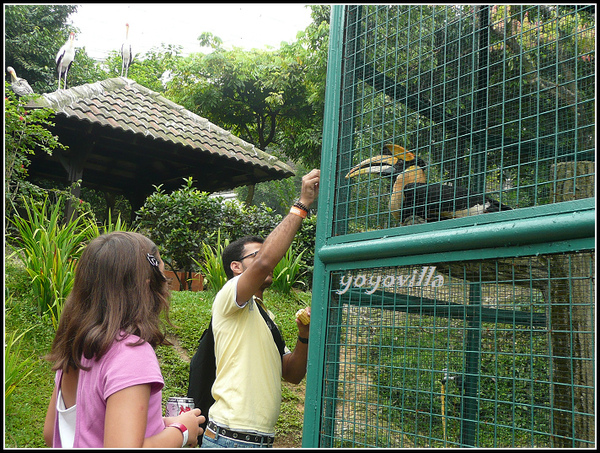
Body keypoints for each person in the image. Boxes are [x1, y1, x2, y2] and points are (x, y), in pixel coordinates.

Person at [43, 231, 205, 448]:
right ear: (147, 287)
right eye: (163, 280)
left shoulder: (77, 347)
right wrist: (183, 431)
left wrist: (163, 424)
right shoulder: (131, 353)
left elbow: (52, 432)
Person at [201, 169, 320, 448]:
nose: (268, 258)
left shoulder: (265, 315)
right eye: (256, 254)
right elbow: (266, 262)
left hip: (258, 440)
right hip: (229, 438)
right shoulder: (230, 296)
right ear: (236, 267)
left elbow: (291, 374)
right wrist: (301, 205)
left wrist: (304, 335)